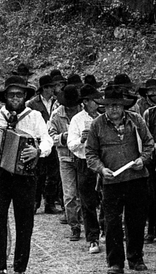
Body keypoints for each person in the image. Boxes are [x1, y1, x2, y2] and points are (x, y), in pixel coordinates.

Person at [0, 75, 54, 274]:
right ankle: (0, 268)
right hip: (1, 175)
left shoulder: (34, 116)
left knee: (24, 220)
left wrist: (38, 151)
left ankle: (20, 268)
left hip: (25, 176)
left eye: (19, 94)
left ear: (25, 96)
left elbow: (47, 139)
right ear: (5, 97)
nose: (15, 98)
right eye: (11, 94)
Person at [86, 82, 155, 274]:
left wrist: (143, 159)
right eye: (109, 105)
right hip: (111, 181)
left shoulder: (136, 120)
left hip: (136, 178)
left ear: (124, 106)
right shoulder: (97, 124)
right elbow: (90, 153)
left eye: (117, 105)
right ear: (104, 106)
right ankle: (115, 262)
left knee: (136, 220)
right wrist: (101, 169)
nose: (114, 109)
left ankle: (136, 258)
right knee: (112, 222)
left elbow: (150, 143)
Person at [67, 84, 103, 254]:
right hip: (84, 161)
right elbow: (71, 145)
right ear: (86, 102)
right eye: (92, 100)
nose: (95, 103)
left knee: (106, 199)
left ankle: (105, 229)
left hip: (103, 161)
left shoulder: (104, 117)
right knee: (87, 202)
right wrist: (81, 140)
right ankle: (92, 238)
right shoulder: (77, 119)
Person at [49, 84, 84, 241]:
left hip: (83, 157)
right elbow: (50, 136)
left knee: (84, 193)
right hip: (65, 158)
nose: (71, 108)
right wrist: (64, 137)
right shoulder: (56, 115)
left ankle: (87, 223)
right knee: (69, 194)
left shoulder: (84, 114)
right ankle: (74, 226)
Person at [27, 72, 64, 214]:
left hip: (53, 140)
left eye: (52, 87)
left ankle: (50, 202)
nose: (50, 89)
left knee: (53, 173)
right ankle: (35, 202)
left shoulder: (57, 102)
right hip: (39, 141)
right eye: (47, 87)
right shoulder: (32, 103)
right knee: (39, 173)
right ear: (42, 89)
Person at [138, 78, 156, 244]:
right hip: (152, 157)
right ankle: (152, 230)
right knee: (152, 195)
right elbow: (145, 137)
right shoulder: (149, 114)